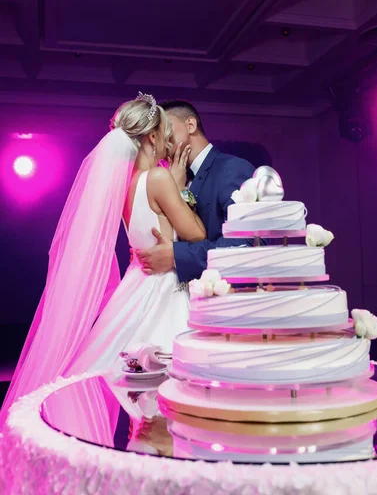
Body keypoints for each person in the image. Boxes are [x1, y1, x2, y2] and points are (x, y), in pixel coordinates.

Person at [0, 93, 205, 429]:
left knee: (123, 384)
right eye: (164, 131)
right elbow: (195, 233)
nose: (168, 139)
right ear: (152, 137)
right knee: (171, 387)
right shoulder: (159, 178)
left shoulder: (123, 185)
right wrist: (180, 188)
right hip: (162, 287)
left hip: (135, 283)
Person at [136, 100, 255, 283]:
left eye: (166, 128)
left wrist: (177, 256)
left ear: (190, 125)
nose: (161, 136)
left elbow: (249, 244)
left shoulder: (231, 169)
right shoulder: (168, 179)